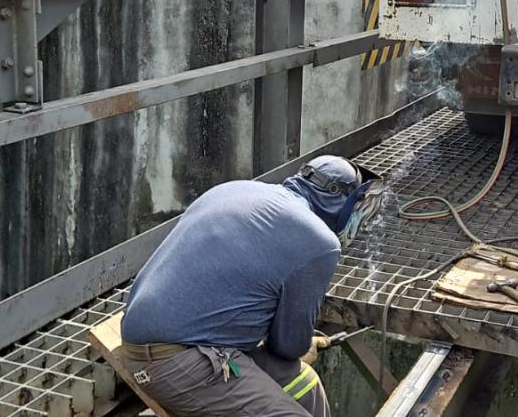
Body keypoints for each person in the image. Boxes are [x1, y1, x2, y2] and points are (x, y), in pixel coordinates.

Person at [120, 155, 383, 416]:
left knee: (305, 384)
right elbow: (288, 347)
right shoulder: (321, 242)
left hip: (158, 340)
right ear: (336, 197)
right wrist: (302, 344)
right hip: (176, 361)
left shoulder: (236, 189)